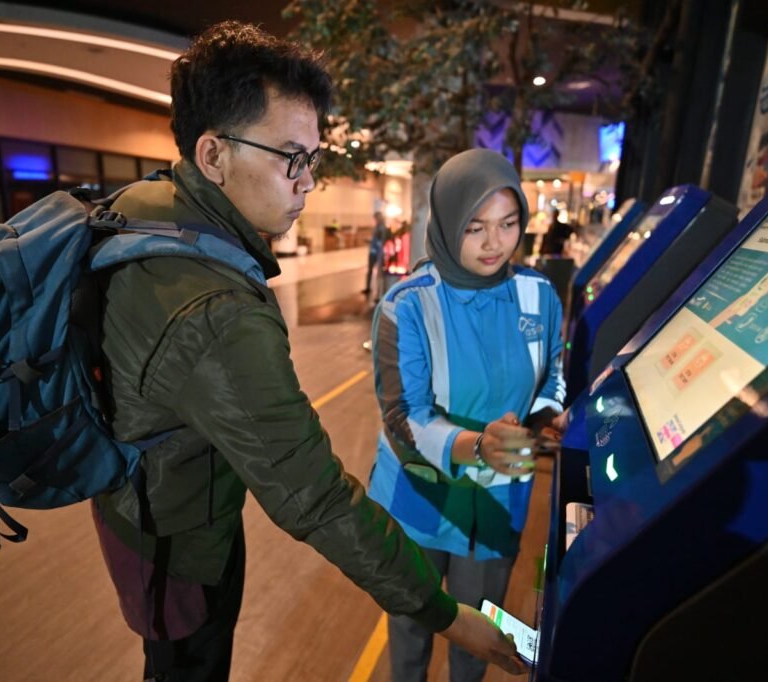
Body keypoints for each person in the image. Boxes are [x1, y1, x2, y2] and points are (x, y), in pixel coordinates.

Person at [90, 22, 526, 681]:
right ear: (213, 156)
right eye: (292, 158)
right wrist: (445, 613)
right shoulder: (215, 315)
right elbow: (316, 497)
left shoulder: (153, 207)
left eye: (313, 160)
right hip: (175, 538)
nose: (307, 183)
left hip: (157, 496)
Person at [368, 149, 568, 682]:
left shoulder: (540, 296)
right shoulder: (407, 305)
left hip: (499, 502)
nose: (493, 243)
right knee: (411, 630)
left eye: (508, 225)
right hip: (421, 498)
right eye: (475, 227)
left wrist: (549, 414)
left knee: (479, 637)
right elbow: (403, 418)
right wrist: (478, 446)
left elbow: (552, 374)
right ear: (447, 220)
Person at [364, 210, 392, 295]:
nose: (376, 219)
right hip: (373, 251)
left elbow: (382, 241)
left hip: (378, 252)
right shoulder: (377, 227)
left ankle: (379, 292)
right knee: (370, 270)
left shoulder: (382, 228)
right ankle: (369, 288)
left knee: (379, 273)